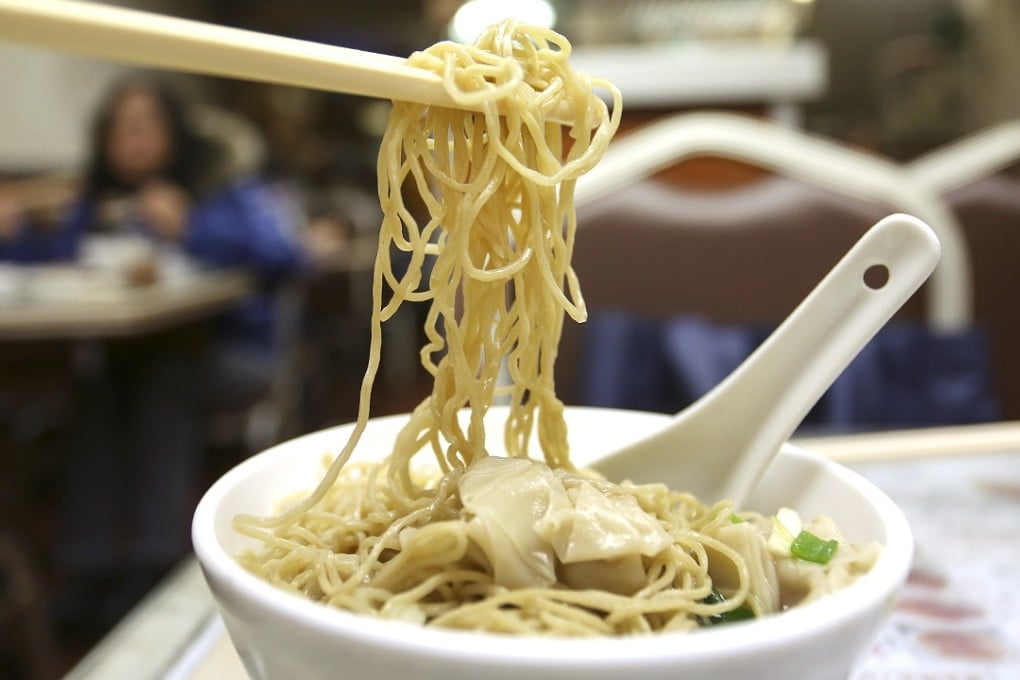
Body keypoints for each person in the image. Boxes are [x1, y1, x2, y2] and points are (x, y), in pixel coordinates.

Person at [1, 74, 306, 633]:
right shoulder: (97, 201)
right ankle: (89, 566)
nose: (130, 141)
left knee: (162, 383)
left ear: (175, 131)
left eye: (143, 126)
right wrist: (12, 231)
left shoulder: (221, 185)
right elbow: (56, 258)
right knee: (99, 391)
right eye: (118, 129)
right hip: (127, 357)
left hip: (230, 351)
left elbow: (285, 254)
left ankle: (153, 565)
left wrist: (193, 224)